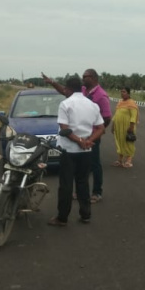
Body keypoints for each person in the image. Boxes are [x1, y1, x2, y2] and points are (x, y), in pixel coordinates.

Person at [42, 69, 112, 203]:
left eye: (86, 76)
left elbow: (107, 118)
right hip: (77, 137)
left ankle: (97, 192)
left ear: (94, 78)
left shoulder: (101, 95)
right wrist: (52, 82)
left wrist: (94, 134)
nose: (83, 78)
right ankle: (80, 193)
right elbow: (65, 91)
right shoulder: (84, 91)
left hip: (91, 137)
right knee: (80, 169)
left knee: (94, 165)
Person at [47, 76, 104, 226]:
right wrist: (89, 141)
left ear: (69, 89)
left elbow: (65, 130)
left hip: (69, 150)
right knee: (83, 183)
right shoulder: (92, 105)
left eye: (65, 88)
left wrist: (79, 142)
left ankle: (62, 217)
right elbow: (101, 128)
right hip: (86, 152)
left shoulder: (65, 104)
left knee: (66, 185)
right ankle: (85, 215)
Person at [110, 87, 139, 168]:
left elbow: (134, 116)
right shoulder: (120, 103)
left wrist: (131, 127)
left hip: (127, 127)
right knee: (119, 141)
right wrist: (113, 126)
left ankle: (129, 160)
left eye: (124, 92)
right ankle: (120, 160)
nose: (122, 93)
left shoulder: (132, 103)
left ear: (128, 93)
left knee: (128, 142)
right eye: (121, 92)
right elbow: (116, 115)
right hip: (118, 127)